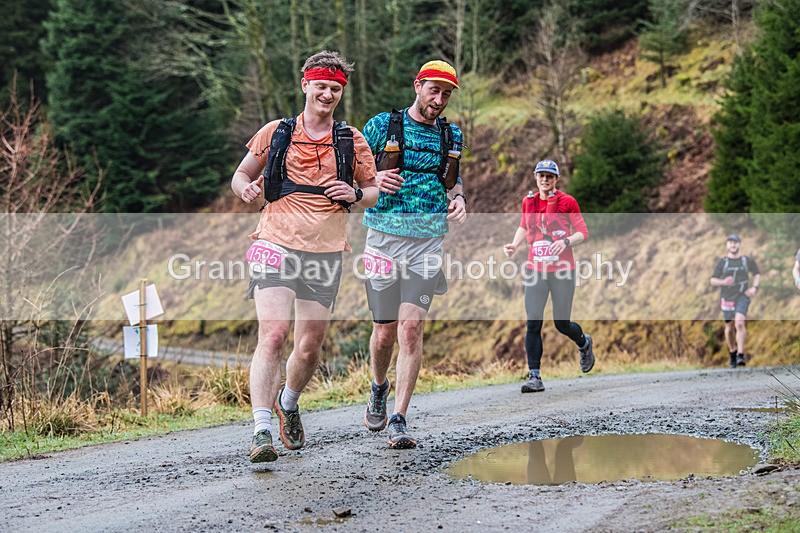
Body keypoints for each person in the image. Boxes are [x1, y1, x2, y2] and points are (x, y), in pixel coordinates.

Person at [231, 51, 378, 463]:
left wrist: (354, 194)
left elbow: (373, 191)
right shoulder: (276, 131)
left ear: (341, 92)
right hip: (274, 240)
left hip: (325, 251)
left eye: (335, 88)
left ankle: (288, 402)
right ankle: (261, 429)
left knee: (310, 347)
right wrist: (243, 187)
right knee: (273, 334)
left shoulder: (352, 141)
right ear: (305, 86)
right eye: (321, 87)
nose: (327, 94)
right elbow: (241, 173)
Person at [360, 60, 467, 449]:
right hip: (383, 238)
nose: (439, 100)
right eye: (433, 91)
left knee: (411, 327)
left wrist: (459, 200)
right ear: (417, 85)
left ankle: (399, 418)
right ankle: (378, 385)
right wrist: (372, 181)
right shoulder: (381, 126)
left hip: (428, 242)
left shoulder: (451, 135)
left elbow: (452, 182)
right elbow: (352, 176)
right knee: (385, 330)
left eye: (446, 94)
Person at [503, 159, 594, 393]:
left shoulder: (567, 202)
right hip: (535, 269)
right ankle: (535, 376)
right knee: (533, 322)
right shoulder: (529, 202)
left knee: (561, 323)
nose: (545, 180)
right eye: (541, 176)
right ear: (535, 178)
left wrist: (565, 241)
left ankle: (583, 343)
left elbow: (583, 232)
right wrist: (514, 245)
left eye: (549, 176)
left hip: (563, 270)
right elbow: (524, 225)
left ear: (556, 179)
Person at [710, 234, 760, 368]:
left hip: (742, 295)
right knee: (729, 328)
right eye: (731, 242)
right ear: (727, 245)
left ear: (739, 244)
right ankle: (732, 351)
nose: (733, 245)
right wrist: (723, 281)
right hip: (727, 297)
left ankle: (740, 354)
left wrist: (754, 288)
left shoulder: (746, 260)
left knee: (739, 323)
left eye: (736, 242)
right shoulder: (722, 262)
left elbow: (756, 273)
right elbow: (712, 280)